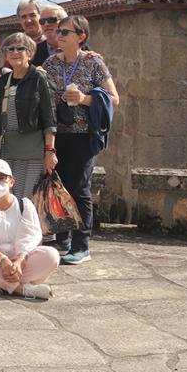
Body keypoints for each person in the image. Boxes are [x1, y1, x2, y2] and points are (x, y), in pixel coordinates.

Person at [42, 15, 119, 265]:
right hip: (57, 133)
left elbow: (113, 98)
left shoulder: (94, 63)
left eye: (66, 32)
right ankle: (63, 237)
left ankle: (81, 244)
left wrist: (84, 99)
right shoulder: (52, 63)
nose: (59, 36)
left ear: (81, 37)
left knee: (79, 188)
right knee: (59, 186)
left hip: (83, 135)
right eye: (59, 32)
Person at [0, 160, 60, 299]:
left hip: (20, 263)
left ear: (12, 182)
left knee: (52, 255)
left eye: (2, 178)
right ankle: (21, 289)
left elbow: (30, 236)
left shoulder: (25, 205)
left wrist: (19, 261)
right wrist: (2, 260)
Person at [0, 32, 57, 205]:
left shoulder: (39, 78)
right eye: (10, 48)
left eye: (21, 48)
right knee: (8, 198)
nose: (15, 52)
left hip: (33, 150)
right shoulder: (3, 80)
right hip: (7, 149)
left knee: (27, 199)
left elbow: (49, 118)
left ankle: (29, 232)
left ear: (30, 53)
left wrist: (50, 151)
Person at [17, 0, 50, 67]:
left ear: (41, 16)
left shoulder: (52, 42)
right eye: (23, 17)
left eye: (32, 15)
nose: (28, 20)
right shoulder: (15, 45)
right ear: (19, 20)